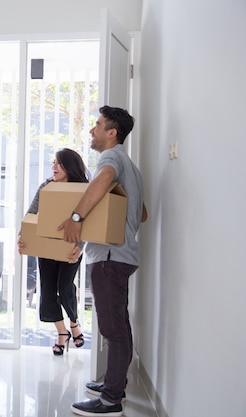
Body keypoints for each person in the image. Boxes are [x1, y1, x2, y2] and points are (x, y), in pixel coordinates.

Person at [59, 106, 148, 416]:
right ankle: (114, 385)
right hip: (121, 254)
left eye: (97, 125)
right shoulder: (131, 166)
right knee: (118, 325)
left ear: (113, 133)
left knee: (114, 331)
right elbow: (142, 213)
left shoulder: (110, 159)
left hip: (111, 257)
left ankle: (110, 401)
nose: (92, 130)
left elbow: (103, 181)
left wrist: (76, 217)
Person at [18, 148, 89, 356]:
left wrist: (80, 246)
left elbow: (89, 221)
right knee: (48, 291)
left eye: (59, 163)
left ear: (71, 166)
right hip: (46, 245)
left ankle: (74, 323)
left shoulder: (83, 189)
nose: (54, 167)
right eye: (53, 163)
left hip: (71, 246)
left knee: (65, 287)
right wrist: (23, 236)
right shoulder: (47, 186)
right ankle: (62, 332)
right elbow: (31, 212)